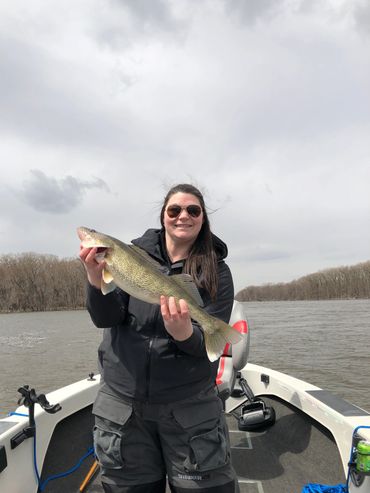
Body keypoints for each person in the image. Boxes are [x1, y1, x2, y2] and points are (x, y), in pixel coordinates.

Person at [79, 183, 239, 493]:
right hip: (123, 404)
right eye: (174, 210)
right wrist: (94, 278)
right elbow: (105, 318)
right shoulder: (129, 255)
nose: (183, 216)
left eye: (193, 210)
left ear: (203, 218)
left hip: (189, 408)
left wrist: (184, 335)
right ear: (163, 216)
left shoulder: (217, 271)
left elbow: (207, 351)